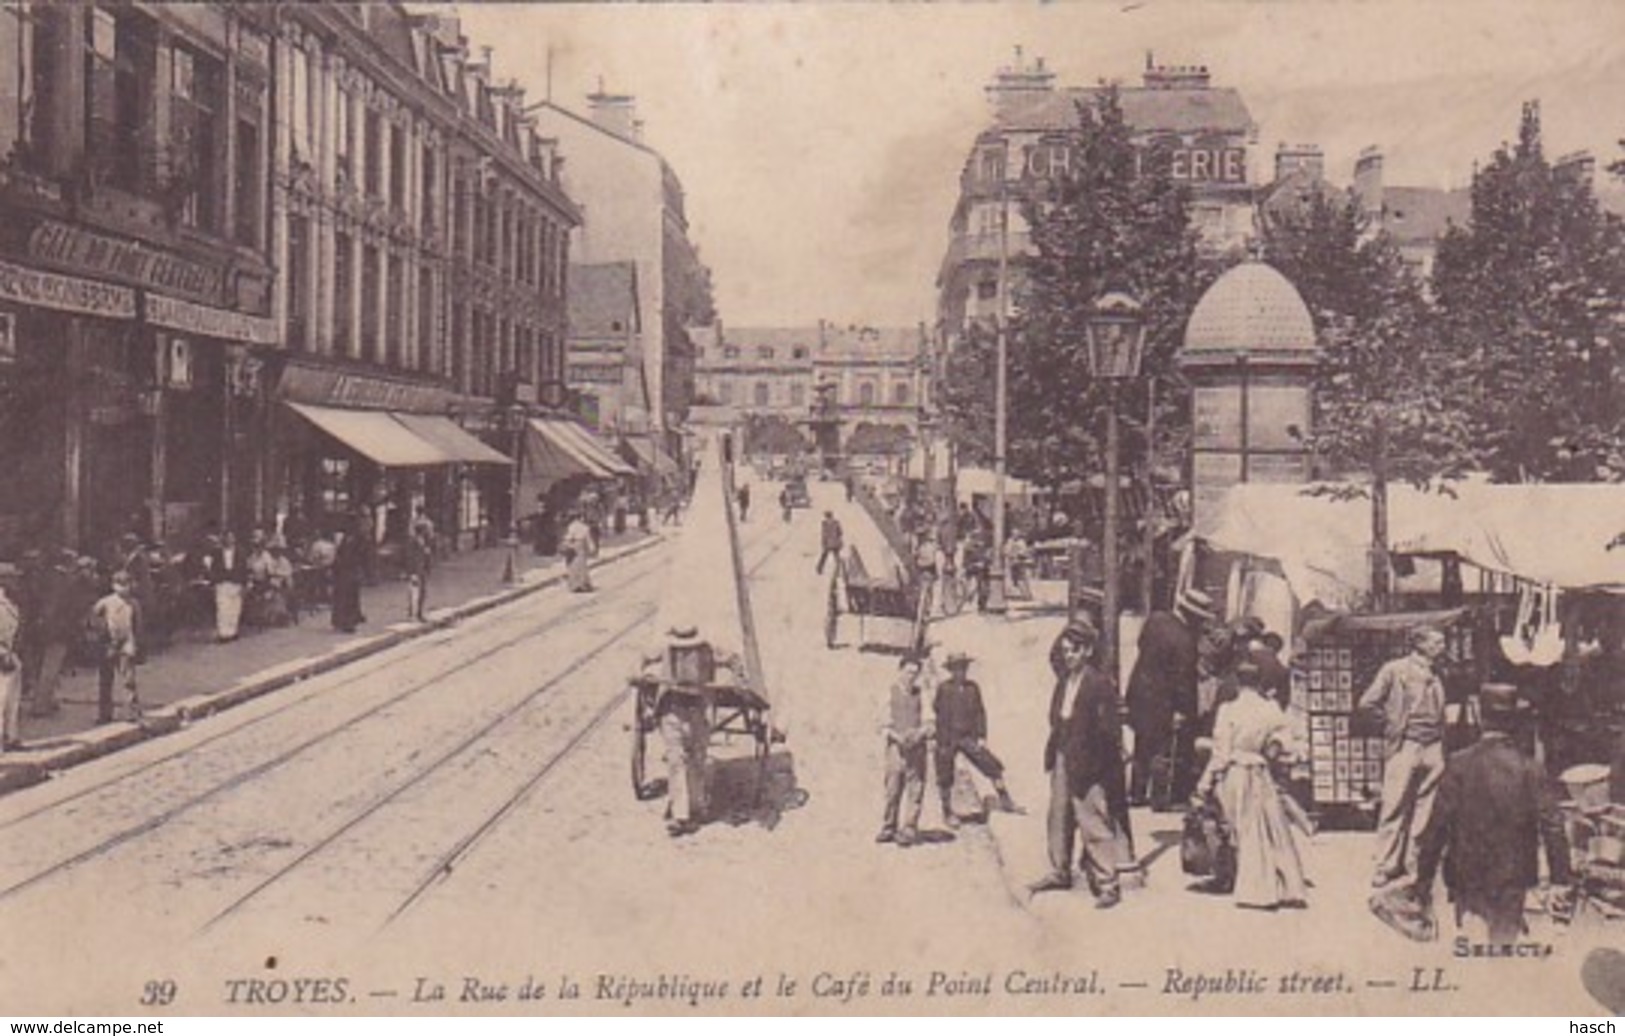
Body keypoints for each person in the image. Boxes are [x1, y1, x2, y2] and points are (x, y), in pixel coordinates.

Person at [1411, 683, 1573, 942]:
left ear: (1480, 718)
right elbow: (1554, 826)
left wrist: (1423, 882)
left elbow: (1436, 829)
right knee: (1504, 950)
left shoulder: (1458, 764)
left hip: (1465, 875)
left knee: (1472, 950)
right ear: (1514, 721)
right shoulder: (1530, 768)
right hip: (1514, 876)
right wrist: (1561, 880)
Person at [1030, 620, 1133, 906]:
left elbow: (1108, 731)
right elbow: (1056, 716)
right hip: (1063, 752)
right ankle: (1059, 870)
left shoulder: (1099, 685)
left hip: (1088, 760)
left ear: (1087, 651)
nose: (1068, 656)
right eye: (1065, 651)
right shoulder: (1065, 680)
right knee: (1058, 815)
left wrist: (1097, 767)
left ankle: (1107, 882)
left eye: (1073, 651)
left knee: (1092, 819)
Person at [1195, 662, 1309, 909]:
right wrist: (1275, 745)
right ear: (1260, 681)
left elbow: (1221, 753)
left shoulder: (1229, 710)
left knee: (1246, 831)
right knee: (1272, 829)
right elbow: (1287, 737)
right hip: (1261, 772)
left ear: (1238, 681)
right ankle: (1288, 887)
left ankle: (1255, 890)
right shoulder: (1270, 708)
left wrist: (1204, 783)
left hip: (1236, 772)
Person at [636, 624, 745, 837]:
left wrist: (738, 678)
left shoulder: (708, 649)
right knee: (676, 759)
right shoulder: (664, 648)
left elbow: (733, 658)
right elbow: (643, 656)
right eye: (681, 646)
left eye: (689, 646)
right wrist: (638, 672)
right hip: (672, 709)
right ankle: (681, 815)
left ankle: (697, 807)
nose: (685, 649)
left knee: (697, 758)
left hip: (700, 709)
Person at [1361, 624, 1449, 888]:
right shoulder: (1394, 669)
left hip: (1434, 746)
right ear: (1419, 644)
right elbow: (1367, 703)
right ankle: (1385, 866)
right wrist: (1391, 725)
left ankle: (1414, 865)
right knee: (1394, 806)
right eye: (1437, 642)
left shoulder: (1439, 672)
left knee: (1426, 810)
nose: (1442, 647)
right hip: (1405, 745)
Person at [1125, 587, 1215, 808]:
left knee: (1142, 744)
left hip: (1139, 693)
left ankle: (1137, 792)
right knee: (1163, 749)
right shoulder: (1185, 641)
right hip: (1165, 702)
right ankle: (1161, 797)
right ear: (1194, 616)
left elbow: (1142, 645)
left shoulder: (1155, 620)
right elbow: (1183, 682)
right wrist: (1183, 710)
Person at [933, 652, 1018, 826]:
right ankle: (947, 811)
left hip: (967, 736)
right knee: (944, 773)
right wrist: (940, 739)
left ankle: (1005, 799)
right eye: (957, 668)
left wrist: (981, 735)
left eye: (963, 668)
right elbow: (937, 710)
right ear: (951, 671)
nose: (961, 672)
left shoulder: (973, 688)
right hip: (948, 737)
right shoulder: (944, 689)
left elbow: (980, 712)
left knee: (991, 764)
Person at [878, 649, 935, 847]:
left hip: (917, 747)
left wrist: (920, 733)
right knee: (893, 788)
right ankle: (888, 826)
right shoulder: (889, 692)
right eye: (908, 672)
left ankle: (909, 828)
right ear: (900, 671)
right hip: (896, 747)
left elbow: (929, 720)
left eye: (915, 673)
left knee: (915, 788)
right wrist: (897, 736)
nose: (911, 676)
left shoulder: (922, 694)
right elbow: (883, 724)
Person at [91, 570, 142, 723]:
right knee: (105, 680)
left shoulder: (133, 604)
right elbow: (93, 617)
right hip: (108, 643)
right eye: (120, 585)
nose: (124, 589)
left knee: (128, 679)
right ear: (113, 586)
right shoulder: (105, 602)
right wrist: (99, 632)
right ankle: (104, 713)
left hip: (127, 642)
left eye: (127, 585)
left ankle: (131, 712)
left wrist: (136, 643)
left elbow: (138, 625)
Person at [208, 530, 248, 642]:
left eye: (231, 537)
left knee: (235, 608)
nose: (229, 540)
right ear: (223, 539)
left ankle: (233, 631)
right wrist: (214, 582)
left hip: (236, 581)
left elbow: (244, 569)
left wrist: (244, 585)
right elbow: (213, 568)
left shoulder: (241, 552)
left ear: (234, 539)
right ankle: (223, 633)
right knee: (222, 607)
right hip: (222, 582)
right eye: (227, 537)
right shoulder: (216, 553)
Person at [329, 523, 366, 634]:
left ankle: (346, 622)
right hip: (344, 572)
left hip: (349, 572)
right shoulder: (346, 541)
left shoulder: (354, 541)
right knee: (344, 598)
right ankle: (343, 622)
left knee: (348, 598)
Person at [0, 566, 22, 750]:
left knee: (11, 699)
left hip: (11, 655)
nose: (17, 582)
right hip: (1, 655)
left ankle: (11, 737)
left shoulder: (12, 602)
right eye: (12, 579)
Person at [404, 519, 433, 622]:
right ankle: (412, 614)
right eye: (427, 529)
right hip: (416, 571)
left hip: (422, 570)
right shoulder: (413, 541)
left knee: (422, 592)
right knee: (414, 593)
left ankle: (420, 613)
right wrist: (412, 573)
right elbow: (410, 557)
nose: (429, 532)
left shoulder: (423, 541)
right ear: (422, 530)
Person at [562, 512, 596, 593]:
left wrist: (565, 544)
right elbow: (588, 538)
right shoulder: (585, 527)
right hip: (582, 546)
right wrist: (592, 548)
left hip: (574, 545)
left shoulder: (572, 526)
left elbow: (569, 537)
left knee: (572, 565)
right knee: (582, 565)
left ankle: (575, 585)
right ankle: (584, 584)